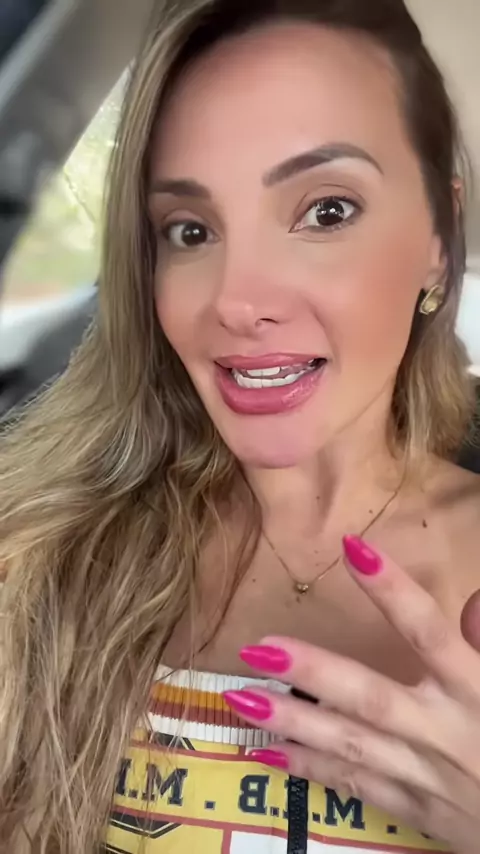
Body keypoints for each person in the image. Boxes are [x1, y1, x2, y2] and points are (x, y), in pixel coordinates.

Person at [0, 0, 480, 851]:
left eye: (326, 211)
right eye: (190, 231)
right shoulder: (40, 558)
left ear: (440, 239)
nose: (236, 302)